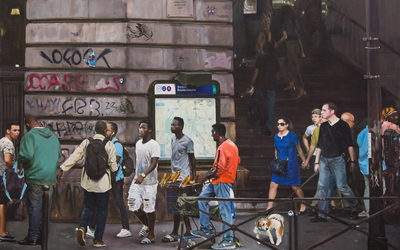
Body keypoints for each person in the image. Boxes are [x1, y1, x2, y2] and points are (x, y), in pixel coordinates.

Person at [58, 120, 118, 247]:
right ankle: (98, 239)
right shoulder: (109, 145)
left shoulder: (86, 142)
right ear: (104, 131)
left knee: (89, 207)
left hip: (88, 182)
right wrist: (113, 170)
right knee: (102, 211)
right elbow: (113, 167)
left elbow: (75, 157)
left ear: (95, 130)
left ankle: (83, 227)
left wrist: (63, 168)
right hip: (103, 185)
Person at [191, 124, 240, 250]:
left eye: (213, 132)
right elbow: (236, 161)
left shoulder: (222, 148)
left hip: (222, 181)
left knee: (225, 211)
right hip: (219, 181)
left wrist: (204, 179)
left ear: (217, 133)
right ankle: (205, 230)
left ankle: (228, 240)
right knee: (202, 198)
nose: (212, 134)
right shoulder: (232, 145)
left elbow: (218, 170)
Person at [311, 103, 361, 223]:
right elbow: (320, 145)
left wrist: (353, 161)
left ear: (332, 111)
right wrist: (317, 162)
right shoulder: (323, 126)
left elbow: (349, 144)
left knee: (342, 186)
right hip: (325, 159)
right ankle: (322, 214)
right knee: (322, 186)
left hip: (338, 159)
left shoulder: (343, 125)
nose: (321, 112)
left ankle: (355, 207)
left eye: (323, 110)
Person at [18, 115, 62, 245]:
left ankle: (33, 237)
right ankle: (43, 236)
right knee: (45, 209)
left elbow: (26, 155)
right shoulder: (53, 137)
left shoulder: (29, 136)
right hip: (49, 178)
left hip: (35, 176)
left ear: (27, 124)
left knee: (34, 208)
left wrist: (19, 160)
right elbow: (59, 154)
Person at [86, 122, 131, 238]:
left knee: (119, 202)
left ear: (113, 132)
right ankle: (91, 228)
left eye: (108, 130)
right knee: (98, 202)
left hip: (116, 179)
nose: (105, 132)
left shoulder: (117, 145)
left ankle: (126, 228)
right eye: (105, 130)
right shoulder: (106, 143)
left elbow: (115, 161)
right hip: (106, 177)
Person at [162, 117, 196, 242]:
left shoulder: (188, 141)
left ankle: (188, 230)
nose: (171, 127)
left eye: (173, 125)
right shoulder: (172, 139)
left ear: (180, 126)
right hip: (174, 177)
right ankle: (177, 231)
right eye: (171, 124)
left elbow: (193, 160)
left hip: (184, 178)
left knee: (182, 204)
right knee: (176, 204)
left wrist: (192, 177)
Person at [127, 120, 160, 245]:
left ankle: (151, 235)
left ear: (149, 130)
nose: (141, 130)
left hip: (150, 183)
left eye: (143, 128)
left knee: (149, 209)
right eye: (140, 128)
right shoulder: (138, 144)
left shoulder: (154, 145)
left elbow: (154, 163)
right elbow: (139, 161)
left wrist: (142, 175)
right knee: (132, 205)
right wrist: (137, 175)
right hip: (137, 181)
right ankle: (146, 224)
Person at [266, 117, 307, 213]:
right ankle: (269, 206)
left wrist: (305, 161)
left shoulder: (292, 136)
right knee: (273, 184)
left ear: (287, 125)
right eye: (278, 124)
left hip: (291, 164)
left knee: (295, 186)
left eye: (282, 124)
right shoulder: (276, 136)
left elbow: (299, 149)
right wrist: (275, 160)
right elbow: (276, 149)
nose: (279, 126)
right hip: (279, 164)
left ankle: (303, 203)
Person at [249, 43, 281, 136]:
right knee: (270, 106)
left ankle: (263, 118)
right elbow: (278, 73)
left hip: (261, 84)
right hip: (271, 85)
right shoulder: (275, 59)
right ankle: (269, 126)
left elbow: (256, 71)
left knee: (261, 103)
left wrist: (252, 82)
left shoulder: (260, 58)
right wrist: (277, 82)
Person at [275, 5, 306, 99]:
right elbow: (298, 36)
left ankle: (300, 89)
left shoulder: (284, 21)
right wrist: (302, 50)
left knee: (292, 66)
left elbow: (285, 37)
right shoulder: (294, 21)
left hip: (290, 44)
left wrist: (277, 43)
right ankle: (291, 83)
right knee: (286, 65)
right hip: (296, 44)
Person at [0, 122, 20, 242]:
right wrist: (15, 170)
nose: (17, 132)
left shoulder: (1, 140)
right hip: (3, 176)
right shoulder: (7, 143)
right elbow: (7, 160)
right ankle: (2, 233)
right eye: (14, 130)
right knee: (2, 204)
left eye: (18, 130)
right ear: (8, 131)